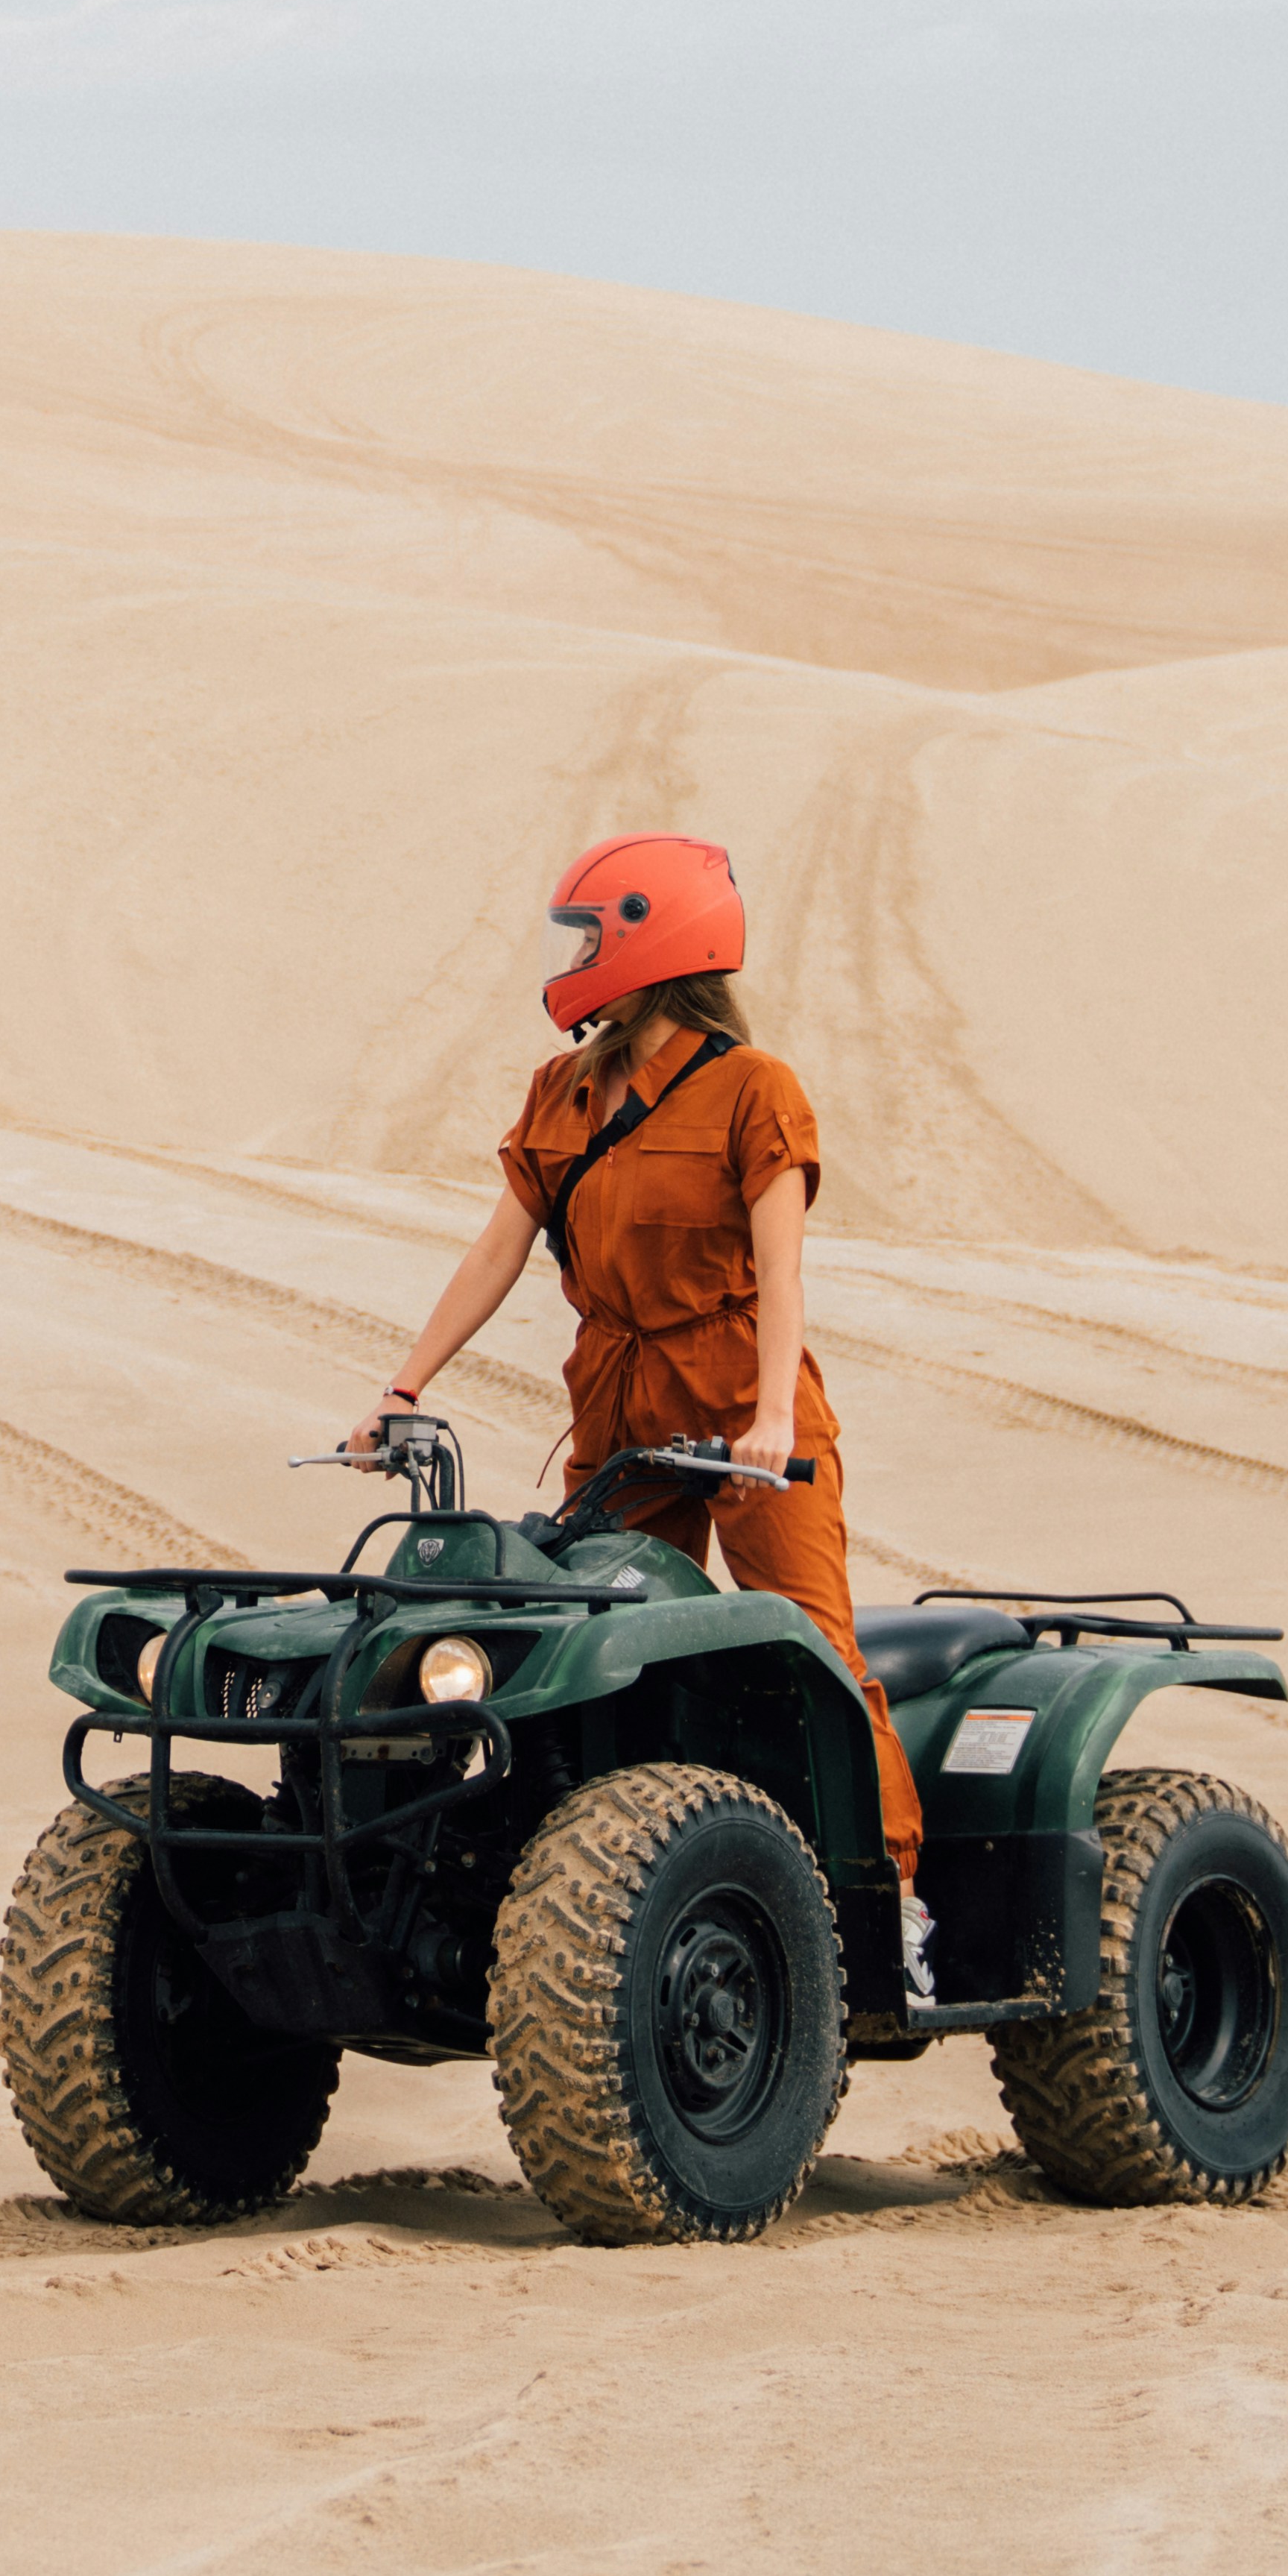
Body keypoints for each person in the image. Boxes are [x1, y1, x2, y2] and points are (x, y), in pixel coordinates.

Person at [352, 828, 927, 1934]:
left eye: (583, 938)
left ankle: (891, 1903)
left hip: (742, 1397)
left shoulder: (754, 1089)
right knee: (597, 1649)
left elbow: (780, 1270)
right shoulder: (559, 1092)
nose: (566, 961)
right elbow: (497, 1249)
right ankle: (622, 1898)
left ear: (649, 943)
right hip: (619, 1409)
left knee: (811, 1642)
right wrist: (405, 1388)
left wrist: (765, 1420)